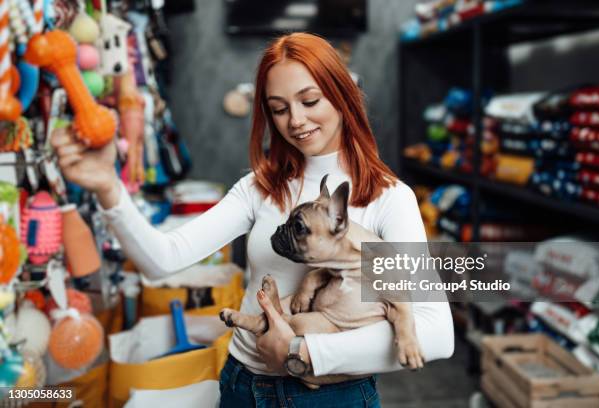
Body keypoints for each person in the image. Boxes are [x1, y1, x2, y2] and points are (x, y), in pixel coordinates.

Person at [52, 32, 454, 407]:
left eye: (310, 101)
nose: (295, 120)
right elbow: (165, 258)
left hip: (331, 395)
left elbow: (436, 333)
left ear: (342, 96)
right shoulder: (259, 188)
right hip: (242, 385)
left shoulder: (388, 199)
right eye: (279, 109)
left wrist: (305, 352)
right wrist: (108, 189)